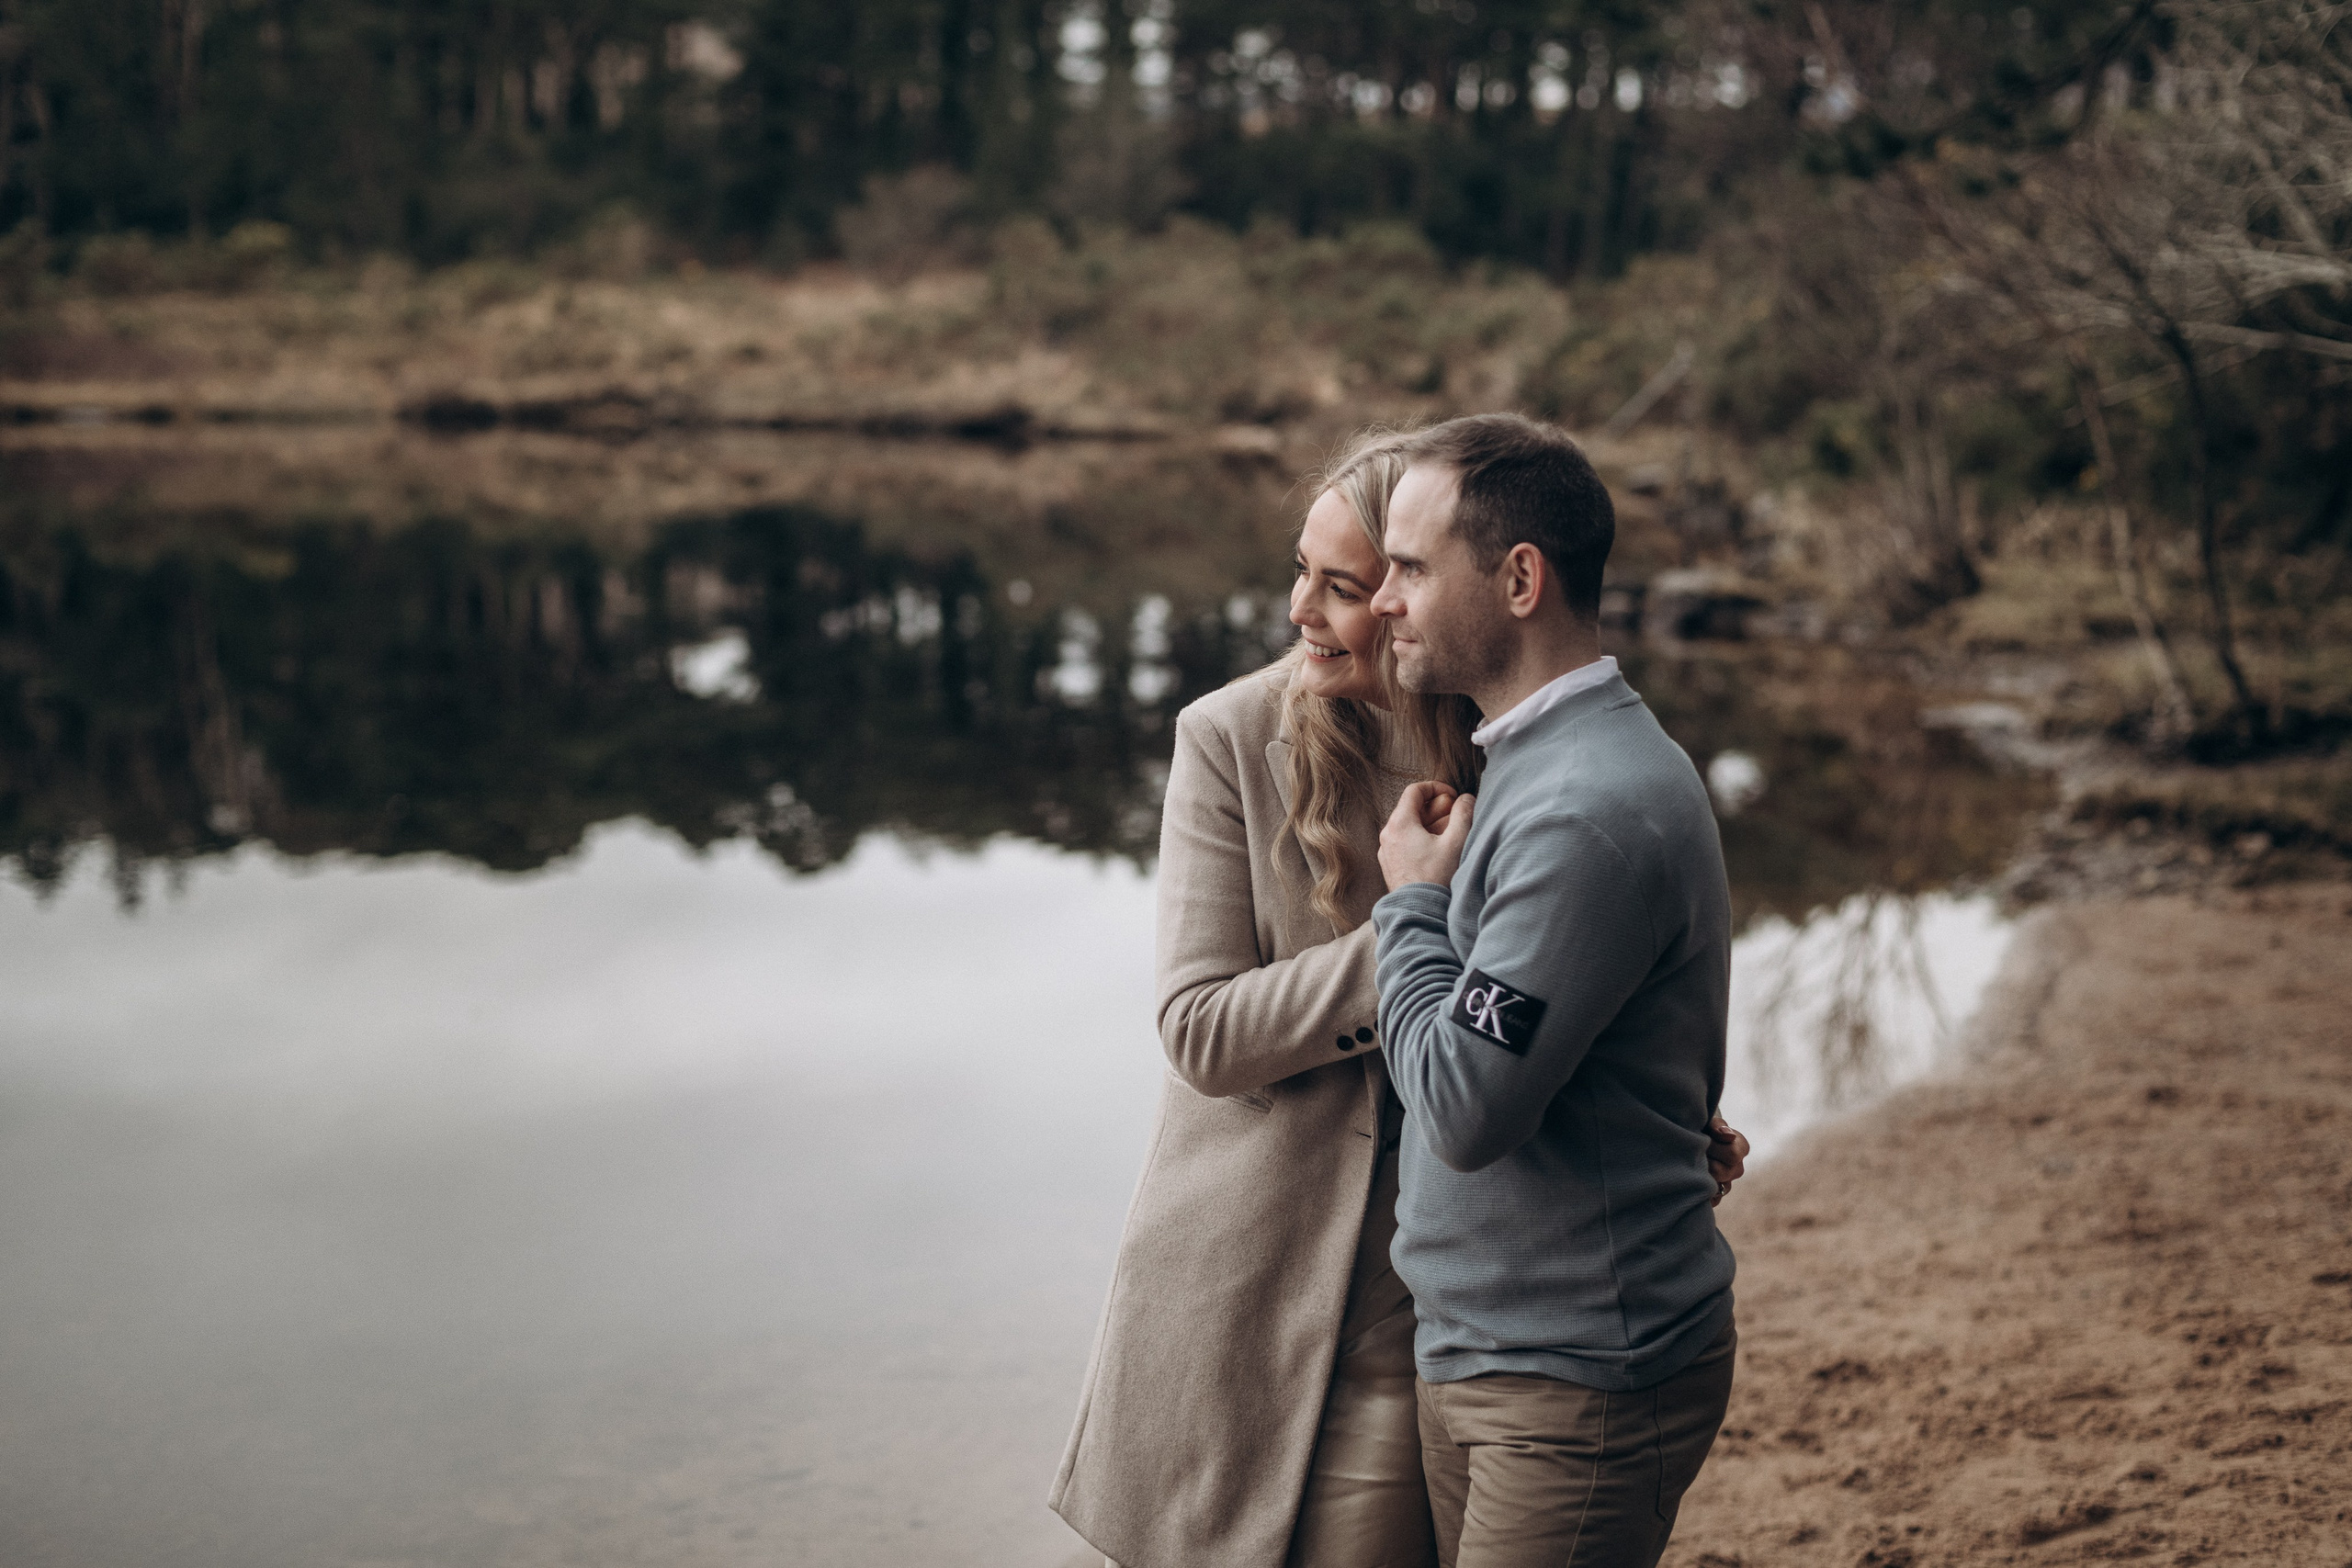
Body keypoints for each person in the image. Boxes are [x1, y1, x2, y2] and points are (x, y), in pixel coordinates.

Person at [1050, 428, 1749, 1568]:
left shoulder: (1506, 730)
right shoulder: (1228, 739)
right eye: (1304, 574)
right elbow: (1199, 1029)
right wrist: (1411, 928)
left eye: (1358, 581)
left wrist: (1646, 1115)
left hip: (1458, 1303)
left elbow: (1583, 966)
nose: (1303, 610)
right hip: (1275, 1272)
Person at [1366, 412, 1740, 1568]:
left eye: (1410, 568)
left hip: (1573, 1376)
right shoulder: (1537, 757)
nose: (1383, 599)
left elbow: (1469, 1107)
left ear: (1519, 578)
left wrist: (1411, 908)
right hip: (1492, 1346)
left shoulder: (1586, 809)